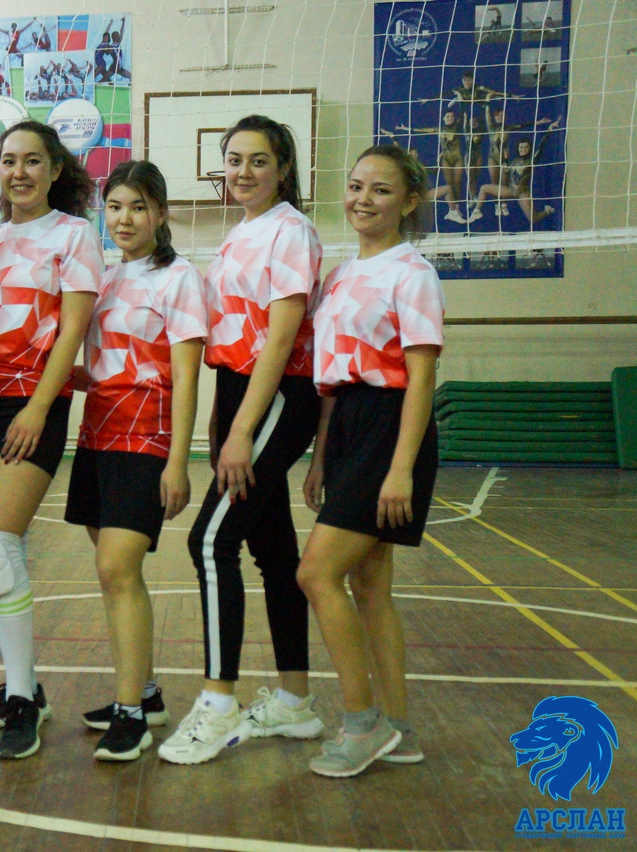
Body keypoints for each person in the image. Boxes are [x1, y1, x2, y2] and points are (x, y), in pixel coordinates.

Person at [159, 115, 324, 766]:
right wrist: (221, 419)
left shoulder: (291, 231)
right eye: (234, 160)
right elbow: (230, 337)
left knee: (210, 540)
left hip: (276, 395)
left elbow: (279, 341)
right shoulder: (239, 236)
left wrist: (244, 429)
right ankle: (295, 701)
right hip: (239, 394)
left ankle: (218, 703)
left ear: (283, 168)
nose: (244, 171)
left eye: (258, 160)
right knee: (274, 552)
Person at [299, 144, 444, 778]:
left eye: (381, 190)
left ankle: (362, 724)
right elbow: (332, 380)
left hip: (390, 425)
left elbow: (421, 377)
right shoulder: (339, 276)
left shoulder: (412, 273)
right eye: (356, 186)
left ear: (408, 203)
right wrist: (320, 456)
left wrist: (401, 467)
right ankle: (400, 730)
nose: (363, 199)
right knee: (370, 586)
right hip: (349, 425)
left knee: (316, 574)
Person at [0, 120, 103, 759]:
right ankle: (24, 686)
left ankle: (22, 697)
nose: (19, 172)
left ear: (55, 169)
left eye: (32, 161)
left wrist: (40, 408)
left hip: (32, 404)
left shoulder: (74, 235)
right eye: (8, 161)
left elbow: (72, 331)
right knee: (4, 549)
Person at [65, 160, 206, 761]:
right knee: (115, 572)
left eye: (139, 207)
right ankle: (144, 694)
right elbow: (105, 365)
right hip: (96, 438)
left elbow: (186, 377)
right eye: (115, 206)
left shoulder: (180, 278)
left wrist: (178, 462)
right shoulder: (104, 279)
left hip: (145, 442)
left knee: (116, 569)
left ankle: (130, 717)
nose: (124, 219)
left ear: (161, 213)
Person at [469, 120, 561, 225]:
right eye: (521, 147)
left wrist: (549, 129)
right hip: (509, 190)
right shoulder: (515, 161)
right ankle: (476, 212)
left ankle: (547, 211)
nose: (523, 149)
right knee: (483, 188)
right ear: (518, 148)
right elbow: (507, 172)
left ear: (529, 148)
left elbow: (541, 147)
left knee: (533, 219)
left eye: (526, 147)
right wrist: (506, 161)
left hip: (522, 193)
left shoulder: (531, 160)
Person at [395, 111, 465, 223]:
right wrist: (398, 135)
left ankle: (453, 211)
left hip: (422, 195)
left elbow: (434, 171)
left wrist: (437, 162)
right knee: (449, 186)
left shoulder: (420, 165)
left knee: (450, 187)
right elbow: (400, 151)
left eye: (416, 153)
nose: (414, 154)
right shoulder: (406, 166)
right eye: (412, 153)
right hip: (413, 198)